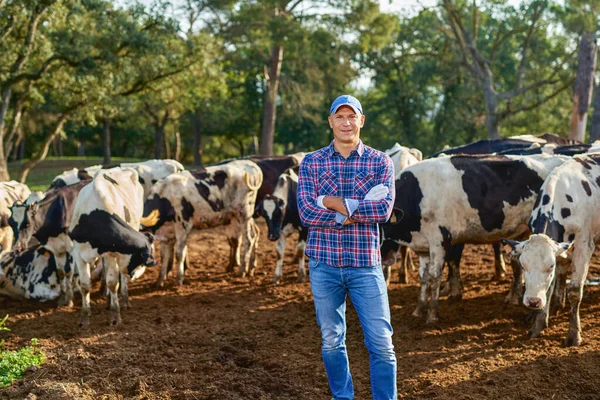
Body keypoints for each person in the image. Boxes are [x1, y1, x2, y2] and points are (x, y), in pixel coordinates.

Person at [297, 94, 397, 399]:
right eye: (339, 117)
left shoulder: (380, 161)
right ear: (330, 122)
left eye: (351, 116)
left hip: (365, 265)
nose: (346, 122)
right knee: (331, 339)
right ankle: (343, 396)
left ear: (361, 121)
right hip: (324, 265)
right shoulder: (312, 161)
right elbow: (306, 212)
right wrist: (358, 208)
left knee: (381, 342)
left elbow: (383, 211)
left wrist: (330, 204)